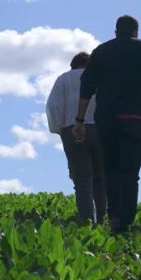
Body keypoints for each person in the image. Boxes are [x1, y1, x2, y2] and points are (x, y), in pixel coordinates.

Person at [74, 15, 141, 235]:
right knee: (130, 172)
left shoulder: (101, 51)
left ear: (116, 31)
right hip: (135, 119)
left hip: (106, 118)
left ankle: (114, 215)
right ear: (136, 31)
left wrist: (79, 120)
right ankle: (125, 220)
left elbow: (86, 87)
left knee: (110, 169)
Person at [46, 52, 107, 223]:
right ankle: (102, 218)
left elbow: (53, 106)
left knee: (82, 181)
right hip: (100, 129)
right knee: (100, 177)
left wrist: (59, 129)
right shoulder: (101, 78)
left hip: (72, 129)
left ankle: (87, 220)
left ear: (73, 65)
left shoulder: (63, 79)